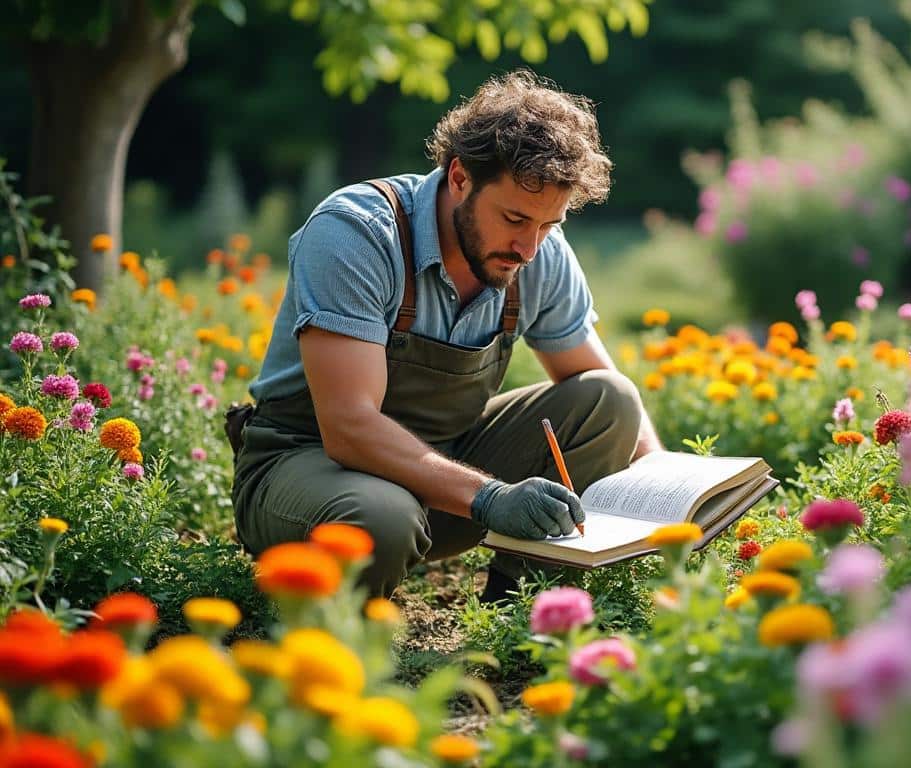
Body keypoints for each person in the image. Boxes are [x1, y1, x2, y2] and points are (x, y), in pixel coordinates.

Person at [230, 69, 663, 602]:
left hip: (447, 481)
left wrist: (663, 496)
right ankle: (342, 643)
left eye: (549, 225)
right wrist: (489, 496)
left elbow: (602, 392)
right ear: (459, 176)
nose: (529, 248)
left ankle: (519, 605)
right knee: (381, 518)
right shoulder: (358, 234)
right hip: (310, 469)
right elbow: (348, 428)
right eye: (514, 218)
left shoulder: (538, 252)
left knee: (610, 398)